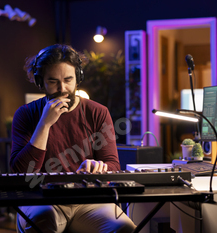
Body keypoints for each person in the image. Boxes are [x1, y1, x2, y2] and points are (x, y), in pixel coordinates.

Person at [10, 44, 136, 233]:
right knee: (43, 222)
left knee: (124, 228)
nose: (63, 88)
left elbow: (112, 164)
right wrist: (44, 124)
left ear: (78, 77)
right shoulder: (26, 114)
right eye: (53, 81)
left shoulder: (98, 112)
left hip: (88, 200)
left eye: (68, 80)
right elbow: (22, 173)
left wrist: (99, 167)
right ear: (40, 82)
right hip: (40, 198)